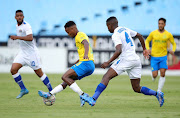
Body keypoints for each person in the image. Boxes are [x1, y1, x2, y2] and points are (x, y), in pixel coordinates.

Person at [81, 16, 164, 107]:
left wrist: (108, 62)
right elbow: (139, 35)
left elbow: (118, 51)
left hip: (126, 59)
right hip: (135, 60)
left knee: (106, 77)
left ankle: (93, 99)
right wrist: (144, 49)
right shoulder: (124, 29)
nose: (107, 28)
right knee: (136, 88)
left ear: (110, 25)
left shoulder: (115, 34)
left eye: (107, 26)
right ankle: (157, 94)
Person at [38, 21, 95, 107]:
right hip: (89, 65)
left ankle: (82, 95)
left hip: (86, 63)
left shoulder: (80, 35)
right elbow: (83, 49)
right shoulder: (78, 37)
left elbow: (86, 44)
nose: (68, 34)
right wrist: (78, 61)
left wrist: (86, 55)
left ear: (73, 28)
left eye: (68, 32)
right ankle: (50, 93)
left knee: (64, 76)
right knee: (67, 81)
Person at [10, 10, 53, 99]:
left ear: (23, 17)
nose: (19, 17)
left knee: (39, 73)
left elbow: (30, 38)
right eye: (18, 16)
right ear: (15, 17)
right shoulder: (17, 26)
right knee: (13, 70)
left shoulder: (27, 26)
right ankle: (23, 89)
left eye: (21, 15)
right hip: (22, 53)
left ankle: (52, 91)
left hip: (31, 54)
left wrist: (17, 37)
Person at [145, 18, 176, 92]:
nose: (160, 25)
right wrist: (148, 49)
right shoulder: (153, 33)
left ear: (164, 24)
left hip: (163, 57)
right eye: (159, 23)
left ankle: (159, 90)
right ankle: (153, 76)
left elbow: (173, 43)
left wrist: (173, 50)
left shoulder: (168, 34)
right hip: (154, 57)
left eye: (162, 24)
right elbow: (147, 41)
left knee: (162, 73)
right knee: (155, 75)